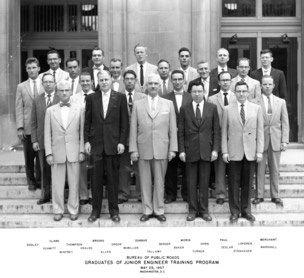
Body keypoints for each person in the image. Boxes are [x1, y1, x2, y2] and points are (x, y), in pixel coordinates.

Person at [129, 73, 177, 222]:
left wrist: (172, 149)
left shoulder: (168, 104)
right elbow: (133, 128)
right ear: (146, 86)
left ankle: (159, 210)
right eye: (150, 84)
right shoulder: (138, 104)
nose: (153, 86)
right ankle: (147, 210)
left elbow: (172, 128)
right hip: (143, 149)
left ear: (159, 85)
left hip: (162, 149)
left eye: (156, 83)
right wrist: (133, 149)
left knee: (159, 182)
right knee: (144, 182)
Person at [84, 70, 129, 223]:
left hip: (113, 145)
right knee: (95, 180)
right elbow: (87, 122)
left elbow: (125, 123)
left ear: (111, 80)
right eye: (101, 80)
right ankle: (95, 211)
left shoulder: (120, 98)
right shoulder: (91, 98)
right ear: (97, 81)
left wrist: (122, 142)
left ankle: (114, 211)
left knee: (113, 180)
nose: (104, 82)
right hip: (96, 145)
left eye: (106, 79)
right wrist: (87, 141)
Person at [221, 81, 264, 222]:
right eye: (238, 91)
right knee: (233, 183)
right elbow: (223, 133)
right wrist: (224, 151)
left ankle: (246, 210)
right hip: (234, 151)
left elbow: (260, 131)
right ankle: (234, 211)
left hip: (250, 152)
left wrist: (259, 151)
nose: (241, 94)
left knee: (247, 183)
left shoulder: (256, 108)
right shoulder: (227, 109)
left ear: (248, 92)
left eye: (244, 91)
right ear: (235, 92)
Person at [179, 83, 220, 221]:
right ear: (190, 92)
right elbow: (181, 132)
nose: (197, 94)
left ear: (204, 92)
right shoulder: (184, 108)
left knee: (204, 183)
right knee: (191, 183)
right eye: (194, 91)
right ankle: (192, 210)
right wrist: (182, 150)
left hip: (206, 150)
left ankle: (204, 210)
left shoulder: (212, 108)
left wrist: (215, 149)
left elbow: (216, 131)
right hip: (190, 150)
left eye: (199, 91)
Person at [44, 80, 85, 221]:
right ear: (57, 91)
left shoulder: (80, 108)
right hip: (57, 152)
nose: (64, 93)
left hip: (74, 151)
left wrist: (81, 151)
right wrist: (48, 152)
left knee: (74, 182)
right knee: (57, 183)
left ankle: (73, 209)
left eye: (67, 90)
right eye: (61, 90)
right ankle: (58, 209)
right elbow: (47, 133)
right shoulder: (50, 110)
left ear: (71, 91)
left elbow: (82, 132)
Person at [252, 75, 289, 206]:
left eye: (269, 84)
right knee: (260, 169)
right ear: (260, 86)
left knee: (275, 169)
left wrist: (284, 140)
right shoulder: (254, 102)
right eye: (265, 84)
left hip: (276, 140)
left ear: (273, 86)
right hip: (260, 141)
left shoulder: (281, 102)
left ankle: (275, 195)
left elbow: (285, 122)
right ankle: (259, 195)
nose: (267, 86)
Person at [162, 70, 192, 203]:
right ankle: (170, 195)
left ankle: (186, 194)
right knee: (171, 168)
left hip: (187, 137)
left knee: (187, 168)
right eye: (174, 79)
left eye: (180, 79)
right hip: (170, 138)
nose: (177, 82)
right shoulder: (164, 98)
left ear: (184, 80)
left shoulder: (192, 96)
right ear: (171, 81)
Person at [118, 70, 146, 204]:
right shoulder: (117, 96)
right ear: (123, 81)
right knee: (123, 168)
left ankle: (141, 194)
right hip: (123, 138)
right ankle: (123, 194)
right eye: (127, 79)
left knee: (140, 167)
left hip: (140, 138)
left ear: (136, 81)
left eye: (132, 79)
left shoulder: (143, 97)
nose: (129, 81)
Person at [31, 73, 60, 205]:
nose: (48, 84)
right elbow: (33, 122)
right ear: (42, 84)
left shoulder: (61, 98)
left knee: (58, 170)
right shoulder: (37, 99)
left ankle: (57, 196)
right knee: (44, 169)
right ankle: (45, 195)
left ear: (55, 83)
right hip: (42, 140)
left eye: (50, 81)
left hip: (58, 140)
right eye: (45, 82)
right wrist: (34, 140)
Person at [208, 71, 236, 205]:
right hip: (218, 137)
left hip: (234, 138)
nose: (225, 82)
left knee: (234, 167)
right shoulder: (212, 99)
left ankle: (234, 193)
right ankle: (220, 194)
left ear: (231, 82)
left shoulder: (238, 97)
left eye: (227, 80)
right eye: (222, 80)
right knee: (219, 168)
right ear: (219, 82)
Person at [15, 57, 42, 191]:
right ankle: (31, 181)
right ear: (26, 69)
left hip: (42, 127)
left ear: (39, 68)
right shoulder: (21, 86)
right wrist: (20, 127)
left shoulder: (45, 84)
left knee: (40, 157)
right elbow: (19, 107)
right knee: (29, 157)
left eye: (34, 67)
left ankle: (40, 181)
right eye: (29, 68)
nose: (32, 70)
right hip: (27, 128)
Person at [71, 72, 95, 205]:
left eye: (87, 81)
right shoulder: (73, 98)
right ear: (79, 82)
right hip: (78, 136)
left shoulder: (97, 96)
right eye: (83, 81)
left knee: (93, 167)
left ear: (92, 81)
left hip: (94, 136)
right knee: (81, 167)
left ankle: (93, 193)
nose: (85, 83)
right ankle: (83, 195)